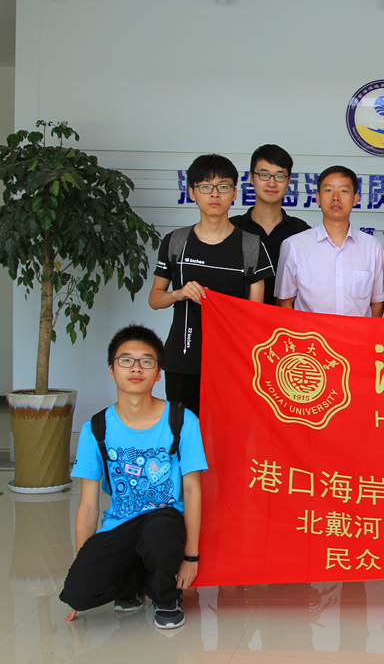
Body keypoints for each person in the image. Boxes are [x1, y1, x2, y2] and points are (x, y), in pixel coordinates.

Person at [60, 325, 208, 630]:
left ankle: (166, 597)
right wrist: (84, 566)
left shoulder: (182, 421)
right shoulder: (95, 428)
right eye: (126, 360)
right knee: (78, 592)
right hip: (121, 523)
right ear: (112, 370)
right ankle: (134, 581)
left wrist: (191, 557)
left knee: (158, 534)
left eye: (146, 361)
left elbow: (193, 491)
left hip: (165, 521)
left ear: (158, 374)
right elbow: (88, 507)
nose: (136, 368)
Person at [149, 154, 273, 416]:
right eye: (205, 186)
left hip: (233, 362)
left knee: (229, 432)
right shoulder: (176, 241)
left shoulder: (251, 246)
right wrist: (179, 293)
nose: (215, 194)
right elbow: (155, 299)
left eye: (223, 186)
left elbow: (256, 315)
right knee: (183, 431)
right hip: (183, 360)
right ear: (192, 193)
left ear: (234, 193)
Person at [274, 165, 384, 316]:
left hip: (356, 332)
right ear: (318, 198)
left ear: (355, 199)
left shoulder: (372, 247)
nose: (335, 197)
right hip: (310, 332)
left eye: (344, 190)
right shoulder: (295, 246)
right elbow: (284, 303)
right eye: (328, 190)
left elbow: (377, 303)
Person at [232, 144, 311, 305]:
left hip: (286, 319)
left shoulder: (301, 231)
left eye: (279, 176)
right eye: (264, 175)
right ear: (251, 178)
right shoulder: (232, 228)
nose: (272, 183)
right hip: (239, 317)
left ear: (288, 180)